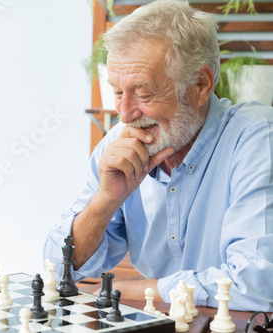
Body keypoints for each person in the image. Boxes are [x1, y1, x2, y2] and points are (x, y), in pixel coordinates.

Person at [43, 0, 273, 311]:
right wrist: (104, 202)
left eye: (143, 93)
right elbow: (58, 270)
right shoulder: (118, 145)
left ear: (201, 84)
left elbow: (258, 283)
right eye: (118, 92)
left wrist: (127, 289)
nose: (124, 115)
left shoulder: (258, 138)